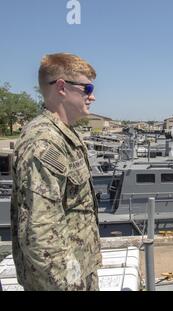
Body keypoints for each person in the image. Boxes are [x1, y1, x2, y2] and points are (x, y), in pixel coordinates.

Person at [10, 53, 102, 291]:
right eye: (87, 88)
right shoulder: (44, 141)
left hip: (79, 270)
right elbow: (41, 232)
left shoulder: (63, 134)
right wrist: (71, 285)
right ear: (61, 87)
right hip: (62, 282)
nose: (92, 96)